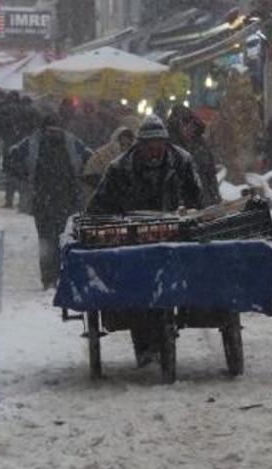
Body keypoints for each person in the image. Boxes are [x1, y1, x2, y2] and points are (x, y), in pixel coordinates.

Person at [86, 115, 204, 366]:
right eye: (149, 145)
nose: (155, 150)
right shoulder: (119, 167)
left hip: (173, 234)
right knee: (138, 292)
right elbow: (98, 206)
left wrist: (190, 212)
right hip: (134, 238)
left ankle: (164, 336)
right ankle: (144, 346)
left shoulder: (182, 160)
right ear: (139, 145)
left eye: (159, 145)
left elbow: (197, 197)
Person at [32, 114, 85, 289]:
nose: (53, 134)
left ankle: (52, 277)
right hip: (54, 201)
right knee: (50, 240)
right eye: (51, 130)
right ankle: (50, 278)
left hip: (55, 201)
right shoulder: (69, 144)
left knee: (55, 240)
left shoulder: (37, 144)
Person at [167, 105, 221, 206]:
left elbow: (210, 174)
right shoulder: (169, 148)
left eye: (190, 124)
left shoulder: (201, 146)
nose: (188, 128)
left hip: (205, 203)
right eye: (184, 124)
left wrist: (215, 197)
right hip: (181, 206)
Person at [83, 127, 134, 200]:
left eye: (129, 144)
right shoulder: (100, 155)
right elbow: (89, 176)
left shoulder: (131, 157)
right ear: (115, 141)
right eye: (122, 144)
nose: (125, 148)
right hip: (99, 201)